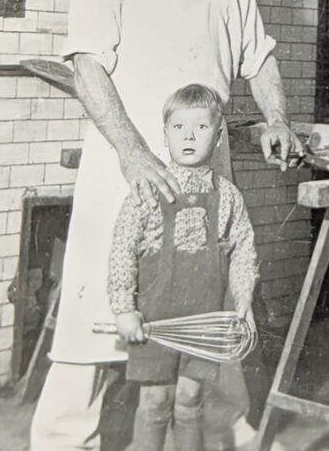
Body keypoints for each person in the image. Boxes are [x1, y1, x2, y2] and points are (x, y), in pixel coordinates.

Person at [31, 0, 301, 450]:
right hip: (126, 169)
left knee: (210, 305)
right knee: (97, 310)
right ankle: (61, 441)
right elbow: (88, 71)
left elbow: (259, 59)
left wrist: (277, 117)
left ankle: (228, 433)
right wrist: (130, 151)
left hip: (206, 169)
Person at [109, 83, 257, 451]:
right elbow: (122, 251)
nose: (189, 136)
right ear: (166, 134)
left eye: (201, 127)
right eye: (179, 127)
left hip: (203, 324)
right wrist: (124, 309)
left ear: (218, 135)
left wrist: (243, 301)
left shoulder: (229, 197)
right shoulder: (147, 191)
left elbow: (243, 252)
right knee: (155, 403)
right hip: (154, 322)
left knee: (190, 403)